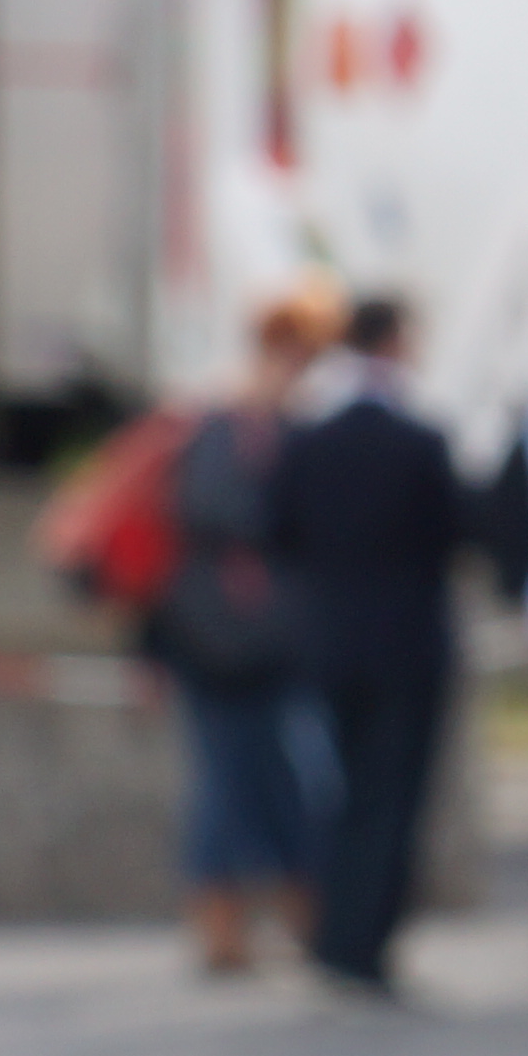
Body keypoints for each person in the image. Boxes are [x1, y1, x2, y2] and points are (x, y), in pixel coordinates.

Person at [269, 292, 470, 1005]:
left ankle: (333, 939)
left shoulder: (308, 434)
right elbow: (454, 532)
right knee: (392, 800)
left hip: (328, 641)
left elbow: (277, 528)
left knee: (341, 795)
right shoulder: (419, 439)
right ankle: (367, 946)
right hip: (407, 644)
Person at [148, 285, 342, 980]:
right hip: (225, 634)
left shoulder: (279, 423)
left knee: (291, 780)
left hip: (268, 632)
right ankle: (229, 925)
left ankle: (297, 914)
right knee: (232, 780)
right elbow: (209, 510)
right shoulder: (226, 423)